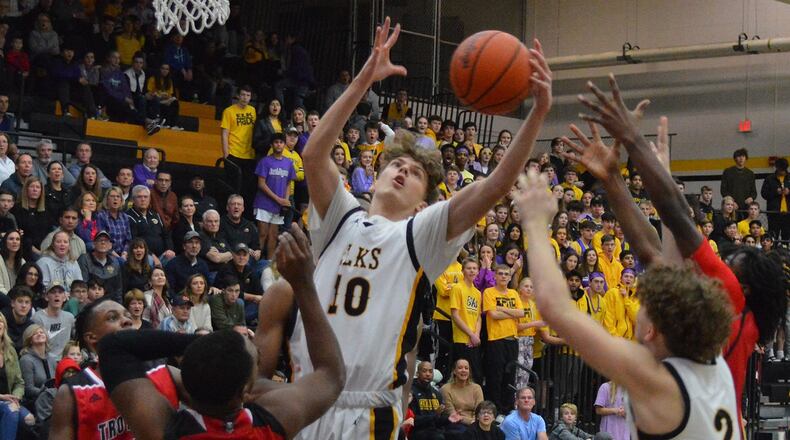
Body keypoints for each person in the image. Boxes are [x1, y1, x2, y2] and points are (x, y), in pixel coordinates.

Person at [293, 19, 551, 439]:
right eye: (396, 164)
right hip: (304, 399)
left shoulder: (421, 233)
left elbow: (495, 184)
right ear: (377, 175)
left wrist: (538, 113)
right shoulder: (340, 217)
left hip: (365, 411)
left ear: (423, 203)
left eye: (414, 173)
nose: (402, 171)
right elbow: (314, 152)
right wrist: (364, 79)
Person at [564, 79, 786, 421]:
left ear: (740, 288)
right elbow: (652, 252)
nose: (722, 265)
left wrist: (633, 140)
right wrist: (613, 180)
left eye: (730, 266)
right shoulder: (729, 319)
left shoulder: (731, 299)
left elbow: (677, 217)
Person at [515, 164, 737, 438]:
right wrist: (643, 175)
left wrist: (535, 224)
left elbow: (555, 308)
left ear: (652, 329)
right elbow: (667, 263)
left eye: (643, 305)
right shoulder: (715, 365)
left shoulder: (659, 381)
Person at [95, 223, 345, 439]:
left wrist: (203, 345)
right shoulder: (272, 424)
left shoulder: (161, 430)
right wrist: (304, 284)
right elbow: (332, 375)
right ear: (246, 393)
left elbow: (114, 346)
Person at [48, 297, 182, 439]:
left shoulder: (165, 372)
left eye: (127, 316)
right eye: (112, 318)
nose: (127, 321)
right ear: (92, 337)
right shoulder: (71, 394)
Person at [483, 265, 524, 414]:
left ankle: (507, 410)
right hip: (496, 339)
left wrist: (501, 308)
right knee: (495, 376)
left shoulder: (514, 293)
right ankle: (495, 410)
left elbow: (521, 313)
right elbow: (493, 315)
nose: (503, 276)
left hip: (512, 339)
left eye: (506, 274)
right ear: (495, 276)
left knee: (510, 376)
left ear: (510, 277)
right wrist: (511, 313)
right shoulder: (489, 292)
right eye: (500, 274)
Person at [254, 133, 296, 259]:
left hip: (279, 206)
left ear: (284, 144)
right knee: (262, 234)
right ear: (271, 145)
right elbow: (261, 184)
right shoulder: (265, 161)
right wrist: (278, 199)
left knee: (273, 235)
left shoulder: (288, 163)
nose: (279, 145)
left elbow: (288, 183)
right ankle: (256, 261)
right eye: (276, 142)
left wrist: (285, 200)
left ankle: (269, 263)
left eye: (281, 142)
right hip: (264, 203)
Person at [221, 86, 257, 205]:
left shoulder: (253, 110)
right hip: (233, 153)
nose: (245, 98)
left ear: (250, 97)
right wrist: (226, 154)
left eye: (247, 95)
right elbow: (224, 133)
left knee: (246, 189)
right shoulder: (229, 111)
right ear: (237, 96)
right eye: (243, 94)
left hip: (249, 155)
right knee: (232, 187)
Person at [449, 258, 483, 384]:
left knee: (476, 377)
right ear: (463, 271)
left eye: (474, 268)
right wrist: (470, 334)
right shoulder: (457, 288)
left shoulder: (477, 293)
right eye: (469, 268)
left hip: (474, 340)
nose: (472, 271)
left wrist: (476, 335)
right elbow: (455, 315)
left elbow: (478, 317)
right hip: (461, 339)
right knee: (461, 377)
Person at [0, 313, 34, 438]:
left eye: (0, 321)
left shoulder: (10, 351)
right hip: (3, 400)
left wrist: (15, 397)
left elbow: (19, 382)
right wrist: (2, 397)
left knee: (29, 419)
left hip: (9, 400)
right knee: (11, 411)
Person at [409, 360, 463, 439]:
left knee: (460, 434)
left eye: (430, 371)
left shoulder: (436, 393)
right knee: (438, 437)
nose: (428, 374)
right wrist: (434, 415)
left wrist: (449, 419)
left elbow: (438, 421)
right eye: (424, 371)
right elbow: (413, 420)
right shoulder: (411, 392)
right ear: (417, 374)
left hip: (435, 429)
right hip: (417, 431)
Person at [127, 185, 174, 260]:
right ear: (133, 199)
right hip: (143, 256)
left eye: (145, 197)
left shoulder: (155, 215)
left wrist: (169, 249)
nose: (143, 199)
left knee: (173, 259)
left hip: (162, 254)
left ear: (149, 199)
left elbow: (166, 235)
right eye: (139, 197)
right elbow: (134, 241)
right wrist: (151, 255)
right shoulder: (129, 216)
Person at [32, 283, 75, 359]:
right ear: (46, 297)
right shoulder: (38, 317)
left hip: (66, 360)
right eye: (53, 292)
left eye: (60, 292)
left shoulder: (70, 317)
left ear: (65, 297)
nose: (57, 295)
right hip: (46, 359)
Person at [77, 231, 123, 301]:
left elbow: (118, 290)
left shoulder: (115, 262)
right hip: (91, 302)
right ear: (94, 244)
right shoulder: (84, 259)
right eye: (100, 240)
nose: (103, 242)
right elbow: (83, 287)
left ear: (110, 246)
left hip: (110, 302)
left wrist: (118, 305)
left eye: (106, 240)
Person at [19, 324, 57, 407]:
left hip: (54, 400)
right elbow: (28, 389)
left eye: (41, 332)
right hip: (35, 403)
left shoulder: (52, 359)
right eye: (35, 333)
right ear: (29, 340)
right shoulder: (26, 360)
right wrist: (48, 393)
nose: (39, 334)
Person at [440, 358, 483, 427]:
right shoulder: (446, 389)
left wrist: (476, 422)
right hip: (456, 423)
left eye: (466, 368)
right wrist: (471, 422)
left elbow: (480, 410)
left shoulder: (476, 388)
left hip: (476, 423)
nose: (463, 370)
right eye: (460, 368)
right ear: (454, 371)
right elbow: (452, 414)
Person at [761, 157, 789, 241]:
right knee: (773, 236)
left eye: (784, 170)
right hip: (774, 213)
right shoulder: (769, 179)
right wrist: (776, 192)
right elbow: (764, 194)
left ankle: (786, 248)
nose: (782, 172)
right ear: (776, 168)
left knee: (786, 237)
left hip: (788, 214)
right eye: (780, 170)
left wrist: (789, 192)